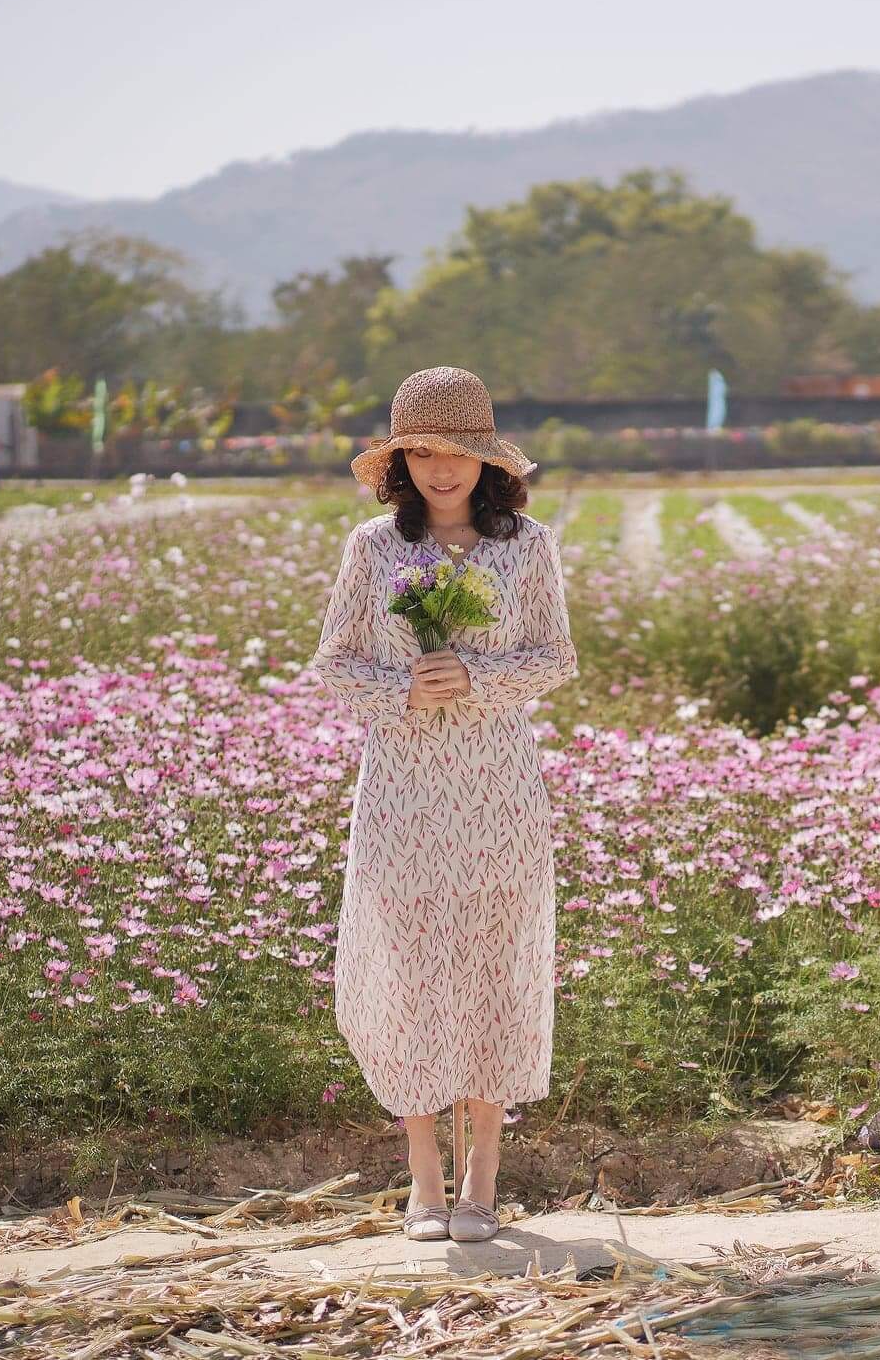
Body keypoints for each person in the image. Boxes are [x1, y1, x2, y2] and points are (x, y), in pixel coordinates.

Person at [307, 365, 577, 1244]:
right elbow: (335, 664)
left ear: (487, 459)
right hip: (404, 790)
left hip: (498, 788)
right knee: (411, 969)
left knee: (495, 968)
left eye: (456, 450)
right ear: (399, 462)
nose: (440, 468)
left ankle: (482, 1178)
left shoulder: (526, 546)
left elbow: (554, 658)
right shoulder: (373, 549)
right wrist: (403, 691)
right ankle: (423, 1177)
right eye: (420, 452)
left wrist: (477, 676)